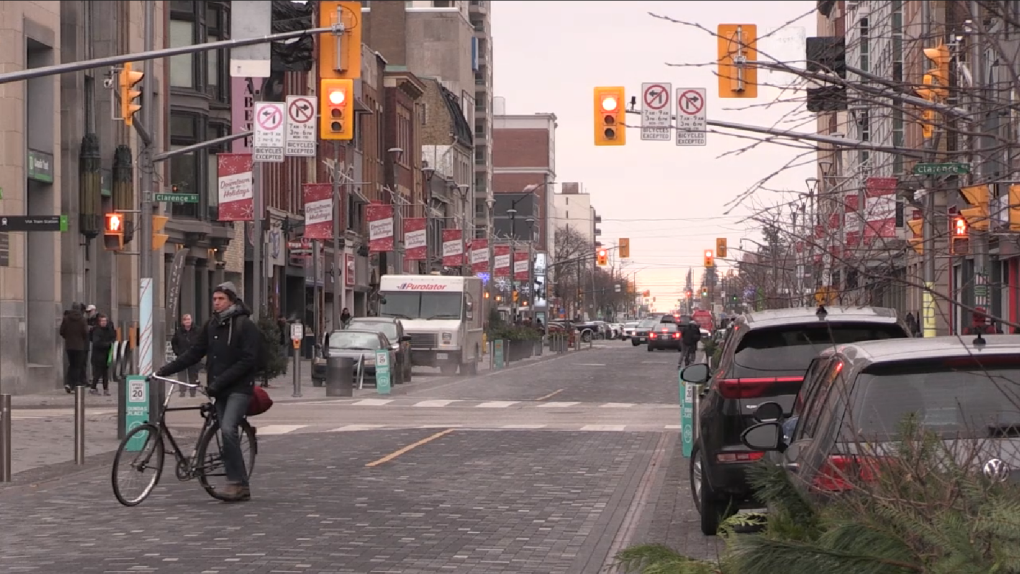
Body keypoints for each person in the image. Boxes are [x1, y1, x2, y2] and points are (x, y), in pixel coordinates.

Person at [155, 282, 260, 502]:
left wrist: (220, 381)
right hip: (218, 389)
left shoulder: (244, 325)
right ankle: (228, 471)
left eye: (221, 299)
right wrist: (165, 370)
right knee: (222, 429)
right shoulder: (211, 325)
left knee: (229, 429)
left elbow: (249, 360)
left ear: (231, 300)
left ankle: (238, 483)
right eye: (214, 299)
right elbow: (194, 353)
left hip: (239, 388)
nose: (217, 303)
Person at [60, 304, 89, 393]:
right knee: (77, 366)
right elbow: (85, 332)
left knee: (71, 364)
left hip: (69, 346)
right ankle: (74, 384)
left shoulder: (66, 319)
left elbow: (61, 331)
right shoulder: (82, 319)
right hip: (79, 346)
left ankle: (68, 383)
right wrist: (81, 339)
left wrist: (68, 337)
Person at [171, 314, 202, 398]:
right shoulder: (179, 331)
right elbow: (174, 343)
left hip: (193, 357)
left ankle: (193, 392)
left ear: (191, 320)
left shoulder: (198, 330)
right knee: (182, 376)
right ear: (183, 322)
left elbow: (201, 341)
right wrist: (177, 352)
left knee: (193, 375)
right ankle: (182, 391)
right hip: (182, 357)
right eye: (185, 320)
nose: (187, 321)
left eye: (188, 319)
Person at [89, 314, 116, 395]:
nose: (104, 323)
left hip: (106, 354)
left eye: (105, 321)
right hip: (98, 354)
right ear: (99, 322)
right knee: (98, 372)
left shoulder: (109, 329)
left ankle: (105, 389)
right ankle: (93, 388)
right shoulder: (97, 330)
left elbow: (113, 337)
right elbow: (96, 343)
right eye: (102, 321)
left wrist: (111, 342)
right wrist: (107, 344)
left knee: (105, 373)